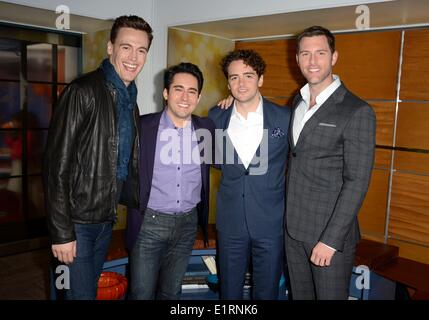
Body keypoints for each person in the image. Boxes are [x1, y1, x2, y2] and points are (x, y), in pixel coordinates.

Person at [43, 15, 153, 300]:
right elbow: (56, 166)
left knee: (87, 293)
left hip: (105, 219)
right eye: (126, 47)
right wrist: (61, 232)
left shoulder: (130, 99)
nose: (134, 57)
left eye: (141, 50)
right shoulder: (83, 91)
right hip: (77, 223)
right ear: (110, 48)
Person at [284, 25, 376, 300]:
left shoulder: (357, 110)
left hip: (328, 239)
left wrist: (330, 240)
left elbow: (357, 181)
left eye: (320, 53)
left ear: (334, 57)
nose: (312, 61)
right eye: (305, 54)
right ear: (297, 58)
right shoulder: (296, 103)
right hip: (293, 232)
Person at [126, 62, 215, 300]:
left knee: (171, 292)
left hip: (187, 223)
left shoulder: (206, 128)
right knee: (141, 293)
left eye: (192, 91)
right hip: (149, 224)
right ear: (165, 93)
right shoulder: (143, 127)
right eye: (178, 89)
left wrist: (231, 104)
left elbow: (227, 160)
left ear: (198, 97)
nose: (185, 97)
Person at [209, 49, 290, 300]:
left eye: (248, 75)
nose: (241, 83)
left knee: (267, 293)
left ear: (261, 79)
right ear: (228, 83)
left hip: (270, 222)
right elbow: (213, 161)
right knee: (229, 293)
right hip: (230, 221)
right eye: (234, 78)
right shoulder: (215, 116)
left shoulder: (285, 117)